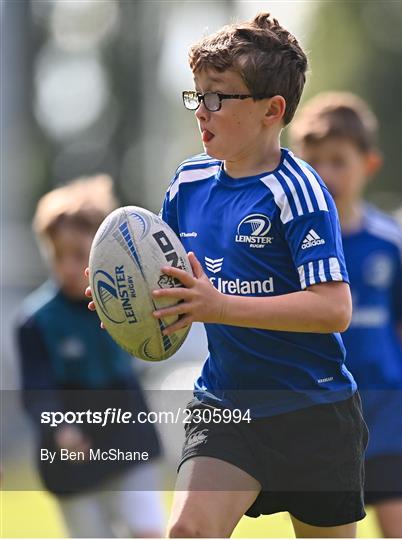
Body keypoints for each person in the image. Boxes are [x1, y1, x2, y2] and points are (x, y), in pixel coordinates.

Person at [90, 13, 368, 538]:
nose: (202, 111)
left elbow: (334, 309)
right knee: (188, 531)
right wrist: (126, 300)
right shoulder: (187, 183)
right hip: (226, 405)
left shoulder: (299, 191)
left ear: (272, 109)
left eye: (218, 97)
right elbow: (168, 284)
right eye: (196, 95)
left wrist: (220, 307)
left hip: (314, 413)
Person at [290, 91, 402, 537]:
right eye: (314, 161)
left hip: (387, 417)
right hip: (324, 419)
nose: (327, 173)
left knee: (400, 525)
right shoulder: (295, 244)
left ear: (368, 164)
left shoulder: (389, 241)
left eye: (339, 160)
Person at [16, 175, 165, 538]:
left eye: (78, 255)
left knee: (147, 530)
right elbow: (36, 389)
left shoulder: (128, 306)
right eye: (58, 255)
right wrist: (60, 427)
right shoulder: (36, 320)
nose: (68, 266)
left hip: (128, 438)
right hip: (72, 453)